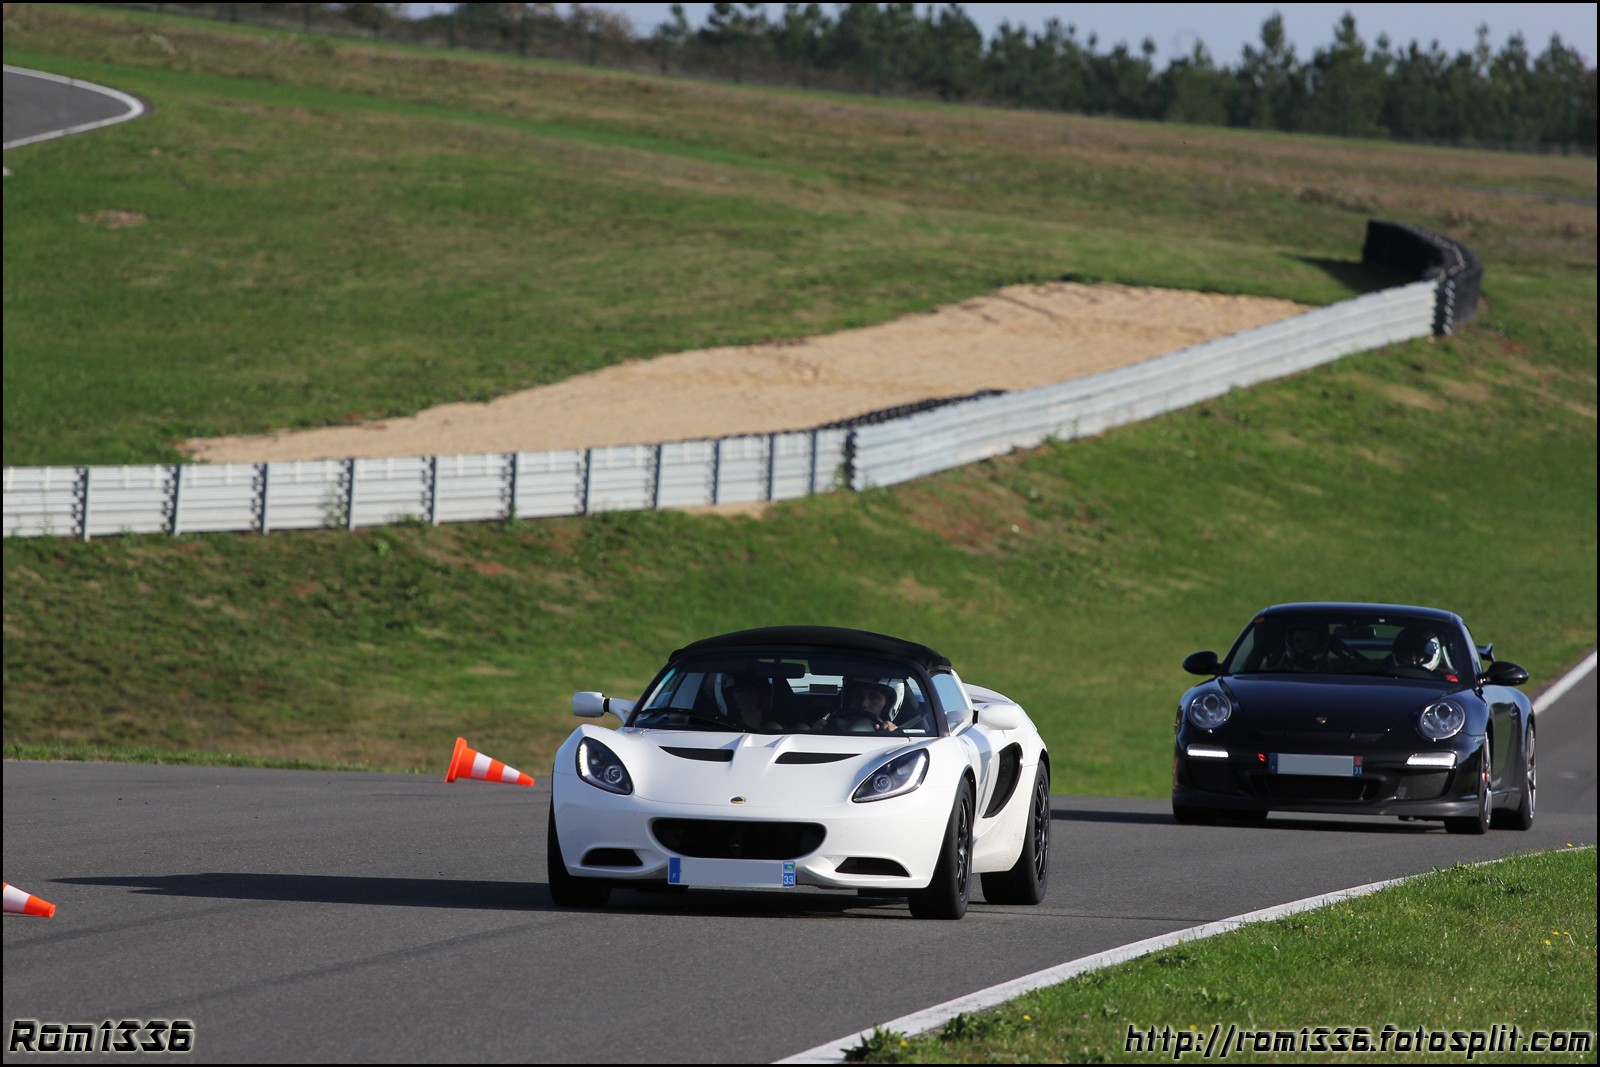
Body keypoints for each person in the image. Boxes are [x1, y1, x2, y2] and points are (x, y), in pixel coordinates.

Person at [829, 678, 900, 732]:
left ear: (888, 705)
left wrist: (896, 735)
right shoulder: (831, 726)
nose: (863, 704)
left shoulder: (902, 738)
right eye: (858, 696)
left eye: (874, 698)